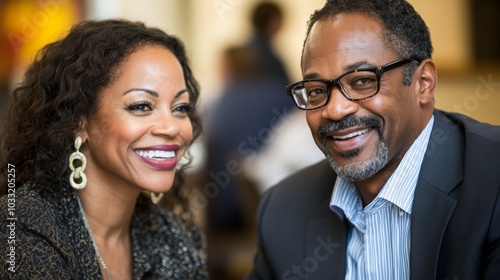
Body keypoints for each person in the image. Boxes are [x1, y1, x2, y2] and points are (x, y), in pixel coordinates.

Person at [247, 0, 500, 279]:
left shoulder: (492, 181)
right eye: (317, 90)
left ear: (423, 83)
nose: (335, 109)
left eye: (362, 81)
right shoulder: (282, 210)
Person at [0, 20, 207, 279]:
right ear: (78, 120)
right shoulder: (23, 228)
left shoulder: (176, 237)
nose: (171, 127)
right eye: (142, 106)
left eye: (180, 108)